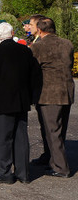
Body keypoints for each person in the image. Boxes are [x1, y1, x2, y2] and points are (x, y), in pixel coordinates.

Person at [0, 22, 41, 184]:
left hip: (2, 102)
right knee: (21, 137)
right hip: (21, 100)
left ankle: (5, 172)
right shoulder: (25, 51)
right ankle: (23, 173)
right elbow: (34, 75)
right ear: (12, 33)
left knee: (3, 138)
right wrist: (31, 96)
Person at [30, 17, 75, 178]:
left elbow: (34, 70)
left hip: (48, 93)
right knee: (59, 128)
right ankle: (51, 157)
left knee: (51, 130)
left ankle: (61, 167)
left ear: (40, 30)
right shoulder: (67, 43)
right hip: (66, 90)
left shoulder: (38, 47)